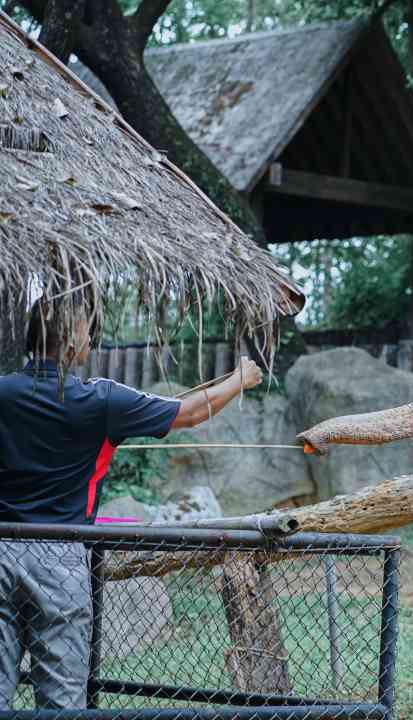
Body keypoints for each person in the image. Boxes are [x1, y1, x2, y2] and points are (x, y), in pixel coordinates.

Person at [0, 296, 263, 709]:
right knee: (62, 697)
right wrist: (240, 379)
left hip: (1, 550)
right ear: (71, 341)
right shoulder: (101, 399)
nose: (92, 338)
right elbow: (191, 413)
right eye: (87, 330)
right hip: (60, 556)